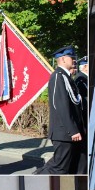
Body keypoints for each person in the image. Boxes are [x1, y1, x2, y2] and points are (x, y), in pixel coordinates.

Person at [36, 46, 84, 174]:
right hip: (63, 133)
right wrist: (72, 130)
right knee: (59, 168)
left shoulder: (66, 77)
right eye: (71, 58)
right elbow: (61, 105)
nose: (74, 60)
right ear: (62, 59)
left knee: (66, 166)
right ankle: (37, 180)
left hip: (68, 133)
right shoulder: (58, 76)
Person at [71, 56, 88, 174]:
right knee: (82, 150)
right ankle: (80, 171)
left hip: (85, 119)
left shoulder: (84, 78)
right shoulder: (80, 79)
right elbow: (82, 101)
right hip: (83, 119)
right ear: (85, 66)